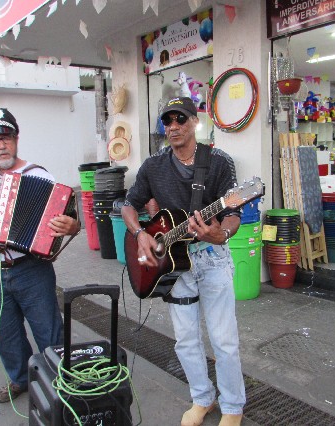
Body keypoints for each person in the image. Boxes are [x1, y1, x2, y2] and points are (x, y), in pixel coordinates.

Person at [122, 97, 246, 426]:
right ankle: (202, 398)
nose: (173, 126)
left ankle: (233, 406)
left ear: (194, 121)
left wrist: (223, 234)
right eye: (167, 120)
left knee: (223, 339)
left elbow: (233, 212)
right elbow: (128, 205)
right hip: (174, 267)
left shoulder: (218, 162)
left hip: (212, 259)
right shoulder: (153, 166)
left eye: (180, 118)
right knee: (186, 339)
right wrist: (140, 235)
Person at [0, 107, 80, 403]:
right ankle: (20, 379)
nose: (1, 145)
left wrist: (72, 225)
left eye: (6, 137)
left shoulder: (38, 175)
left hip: (31, 268)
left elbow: (70, 218)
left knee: (48, 329)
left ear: (16, 139)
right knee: (5, 334)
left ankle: (60, 380)